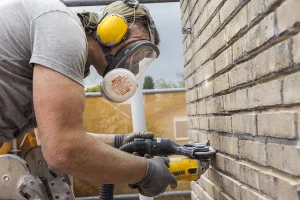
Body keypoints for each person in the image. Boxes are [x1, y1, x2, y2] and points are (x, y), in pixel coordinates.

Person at [0, 0, 177, 197]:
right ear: (112, 27)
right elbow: (62, 150)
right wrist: (146, 172)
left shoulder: (62, 47)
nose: (133, 66)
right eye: (137, 50)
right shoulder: (64, 30)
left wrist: (119, 141)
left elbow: (47, 136)